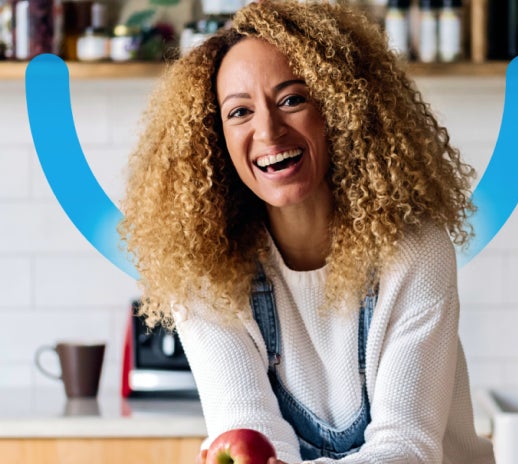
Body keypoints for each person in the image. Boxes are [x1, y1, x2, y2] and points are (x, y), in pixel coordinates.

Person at [119, 1, 495, 463]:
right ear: (213, 136)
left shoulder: (415, 249)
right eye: (239, 112)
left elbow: (407, 448)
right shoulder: (203, 268)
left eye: (293, 100)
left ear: (341, 109)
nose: (269, 131)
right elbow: (248, 430)